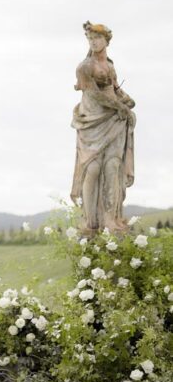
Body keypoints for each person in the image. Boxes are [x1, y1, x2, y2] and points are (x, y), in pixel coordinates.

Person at [70, 21, 135, 233]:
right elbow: (94, 94)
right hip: (92, 121)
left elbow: (114, 88)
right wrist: (120, 107)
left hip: (113, 120)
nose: (93, 42)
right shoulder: (84, 67)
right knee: (93, 168)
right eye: (90, 39)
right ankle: (91, 222)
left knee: (113, 167)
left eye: (97, 38)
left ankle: (110, 219)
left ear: (106, 40)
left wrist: (127, 101)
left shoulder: (110, 65)